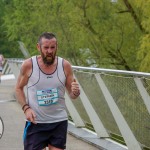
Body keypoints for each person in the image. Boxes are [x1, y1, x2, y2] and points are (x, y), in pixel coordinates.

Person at [15, 32, 80, 150]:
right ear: (38, 47)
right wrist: (26, 108)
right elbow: (18, 88)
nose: (49, 51)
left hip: (58, 121)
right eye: (46, 47)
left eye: (52, 47)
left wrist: (75, 92)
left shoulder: (65, 65)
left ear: (57, 47)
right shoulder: (29, 65)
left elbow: (72, 95)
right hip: (36, 122)